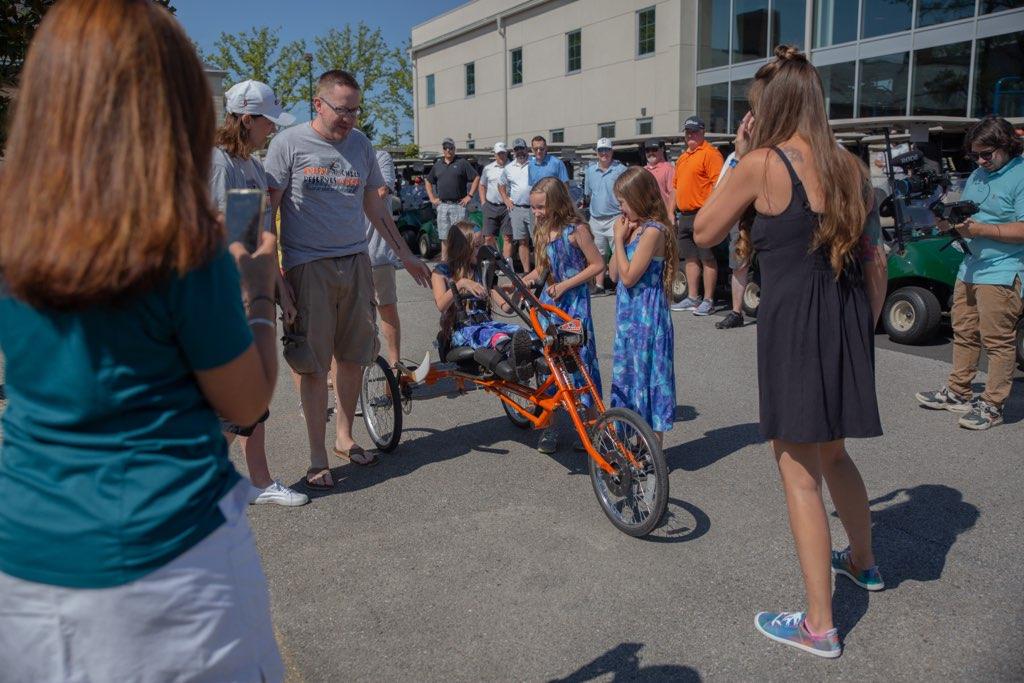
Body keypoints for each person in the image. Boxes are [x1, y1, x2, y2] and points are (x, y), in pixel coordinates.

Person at [0, 1, 284, 679]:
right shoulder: (178, 241)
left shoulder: (16, 229)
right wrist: (261, 289)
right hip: (170, 563)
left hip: (23, 557)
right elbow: (247, 405)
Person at [694, 45, 888, 659]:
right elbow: (875, 258)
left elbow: (702, 231)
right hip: (847, 318)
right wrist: (865, 327)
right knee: (835, 454)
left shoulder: (761, 165)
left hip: (796, 327)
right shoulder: (850, 166)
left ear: (770, 105)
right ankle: (864, 562)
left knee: (799, 473)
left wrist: (741, 154)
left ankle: (819, 625)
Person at [265, 69, 431, 485]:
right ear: (317, 105)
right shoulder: (288, 144)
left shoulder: (361, 146)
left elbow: (375, 210)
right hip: (308, 267)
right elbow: (268, 214)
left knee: (353, 357)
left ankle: (345, 437)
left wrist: (405, 256)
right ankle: (317, 456)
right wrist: (277, 277)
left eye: (355, 111)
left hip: (355, 263)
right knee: (313, 365)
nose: (349, 119)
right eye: (342, 110)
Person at [210, 79, 308, 507]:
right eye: (267, 121)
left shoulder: (248, 164)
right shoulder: (219, 164)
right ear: (245, 119)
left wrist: (280, 289)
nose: (272, 129)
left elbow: (258, 236)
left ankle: (259, 480)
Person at [916, 115, 1024, 430]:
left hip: (1004, 269)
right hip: (971, 265)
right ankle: (958, 392)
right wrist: (949, 223)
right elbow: (966, 215)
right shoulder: (978, 174)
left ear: (1006, 145)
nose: (980, 160)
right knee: (963, 331)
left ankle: (992, 405)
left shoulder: (1020, 174)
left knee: (998, 341)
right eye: (974, 154)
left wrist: (979, 229)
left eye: (986, 154)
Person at [523, 177, 605, 454]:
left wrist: (567, 284)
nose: (536, 213)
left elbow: (597, 265)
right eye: (533, 208)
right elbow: (541, 269)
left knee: (582, 363)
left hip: (574, 305)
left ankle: (592, 427)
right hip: (550, 305)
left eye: (540, 207)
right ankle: (551, 429)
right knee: (549, 365)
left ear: (557, 202)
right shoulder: (544, 231)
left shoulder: (577, 230)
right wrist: (522, 282)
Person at [607, 167, 678, 443]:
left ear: (638, 199)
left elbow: (628, 276)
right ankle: (632, 443)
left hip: (648, 317)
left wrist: (616, 239)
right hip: (628, 316)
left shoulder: (654, 231)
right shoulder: (634, 231)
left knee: (648, 377)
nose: (621, 210)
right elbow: (613, 274)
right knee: (628, 376)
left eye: (623, 202)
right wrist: (622, 240)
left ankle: (652, 450)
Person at [432, 221, 535, 381]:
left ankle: (526, 361)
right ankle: (516, 362)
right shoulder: (442, 272)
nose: (481, 251)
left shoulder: (483, 270)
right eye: (477, 246)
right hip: (460, 330)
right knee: (497, 336)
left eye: (481, 245)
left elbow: (507, 307)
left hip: (486, 325)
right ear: (462, 248)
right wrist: (461, 284)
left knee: (523, 333)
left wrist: (518, 291)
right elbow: (441, 305)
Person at [671, 116, 724, 316]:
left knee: (707, 257)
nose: (690, 135)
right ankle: (693, 297)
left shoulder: (711, 154)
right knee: (690, 257)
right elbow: (675, 188)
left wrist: (709, 212)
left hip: (703, 213)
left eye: (694, 131)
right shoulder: (683, 158)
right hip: (684, 214)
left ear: (702, 132)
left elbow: (717, 185)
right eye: (687, 132)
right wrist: (670, 211)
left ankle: (708, 300)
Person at [366, 148, 404, 369]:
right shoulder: (339, 157)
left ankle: (394, 364)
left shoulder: (379, 156)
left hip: (377, 251)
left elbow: (382, 190)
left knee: (387, 310)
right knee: (354, 318)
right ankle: (363, 366)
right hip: (348, 252)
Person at [583, 137, 627, 294]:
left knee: (618, 251)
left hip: (615, 216)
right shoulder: (589, 171)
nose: (604, 153)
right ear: (596, 153)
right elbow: (588, 194)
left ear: (611, 151)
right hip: (596, 218)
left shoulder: (621, 169)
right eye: (601, 150)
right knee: (598, 253)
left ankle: (620, 284)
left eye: (607, 150)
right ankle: (600, 285)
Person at [425, 137, 479, 262]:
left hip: (459, 205)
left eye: (450, 147)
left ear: (454, 149)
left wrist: (469, 196)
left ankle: (462, 263)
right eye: (445, 148)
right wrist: (432, 198)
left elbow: (476, 177)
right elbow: (428, 181)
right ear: (443, 150)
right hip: (442, 206)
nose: (448, 150)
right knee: (444, 237)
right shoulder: (437, 165)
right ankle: (445, 264)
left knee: (462, 236)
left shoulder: (462, 163)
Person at [499, 138, 535, 272]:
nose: (520, 152)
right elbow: (501, 185)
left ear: (527, 149)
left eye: (522, 148)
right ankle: (527, 272)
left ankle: (541, 271)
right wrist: (506, 199)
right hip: (517, 209)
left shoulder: (535, 163)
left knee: (538, 242)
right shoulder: (508, 168)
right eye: (517, 149)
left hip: (535, 209)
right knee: (522, 241)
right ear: (513, 152)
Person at [479, 142, 513, 261]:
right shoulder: (488, 169)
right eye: (499, 154)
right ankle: (493, 261)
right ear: (495, 154)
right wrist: (483, 202)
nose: (501, 156)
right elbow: (482, 185)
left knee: (507, 237)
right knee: (488, 237)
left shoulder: (513, 167)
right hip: (490, 206)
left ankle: (506, 265)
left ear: (506, 153)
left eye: (503, 153)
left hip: (507, 207)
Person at [643, 139, 676, 218]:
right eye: (647, 150)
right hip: (646, 216)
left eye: (654, 150)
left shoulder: (668, 168)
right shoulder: (643, 170)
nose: (651, 153)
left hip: (663, 216)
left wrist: (670, 213)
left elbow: (673, 192)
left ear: (661, 151)